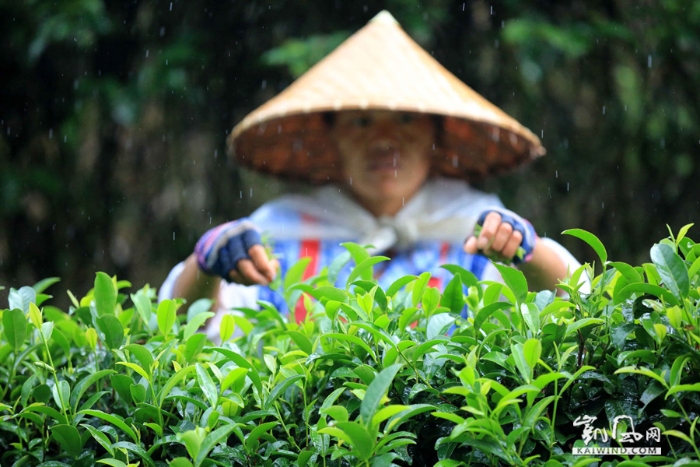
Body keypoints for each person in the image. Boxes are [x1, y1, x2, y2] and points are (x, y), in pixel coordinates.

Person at [159, 11, 586, 340]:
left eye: (404, 120)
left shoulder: (481, 228)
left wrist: (527, 253)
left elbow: (574, 310)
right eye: (361, 123)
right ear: (333, 140)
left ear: (435, 135)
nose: (384, 141)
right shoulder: (280, 232)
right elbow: (189, 334)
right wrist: (206, 265)